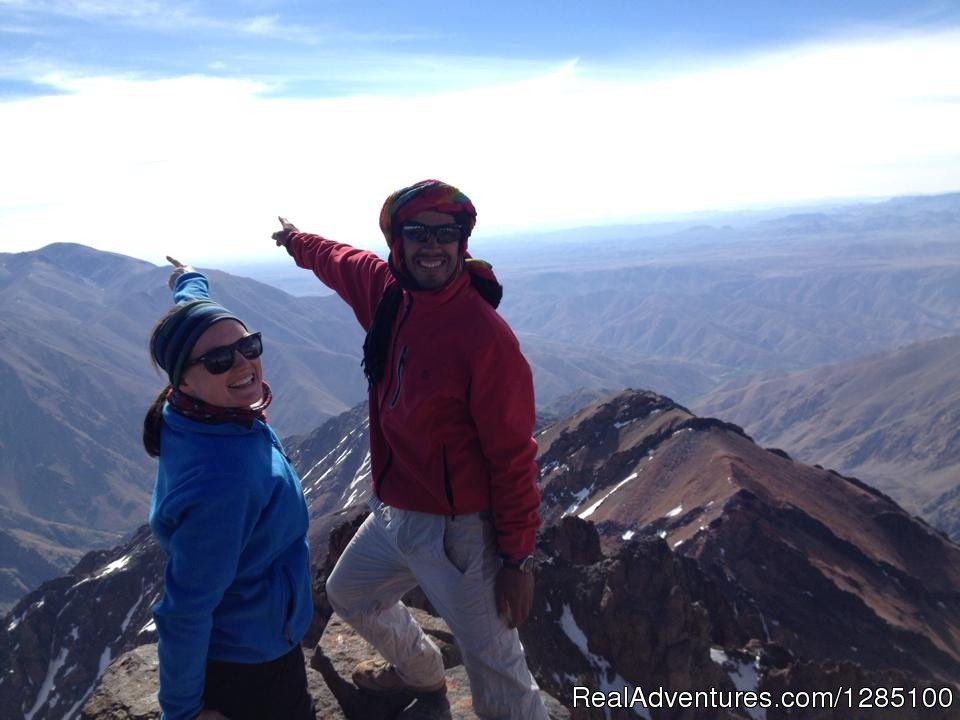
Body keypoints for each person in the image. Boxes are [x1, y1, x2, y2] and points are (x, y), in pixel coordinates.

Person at [272, 180, 548, 720]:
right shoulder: (387, 293)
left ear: (463, 242)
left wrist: (517, 557)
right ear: (397, 242)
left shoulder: (485, 337)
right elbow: (338, 259)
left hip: (460, 532)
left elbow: (514, 456)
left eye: (446, 234)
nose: (432, 246)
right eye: (417, 233)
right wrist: (295, 240)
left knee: (496, 667)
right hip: (396, 509)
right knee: (350, 593)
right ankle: (422, 675)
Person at [143, 258, 315, 720]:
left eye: (248, 345)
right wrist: (182, 712)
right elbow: (184, 611)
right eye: (221, 360)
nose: (242, 362)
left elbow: (200, 316)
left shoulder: (197, 413)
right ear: (182, 378)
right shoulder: (226, 482)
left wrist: (187, 281)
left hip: (259, 638)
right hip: (251, 667)